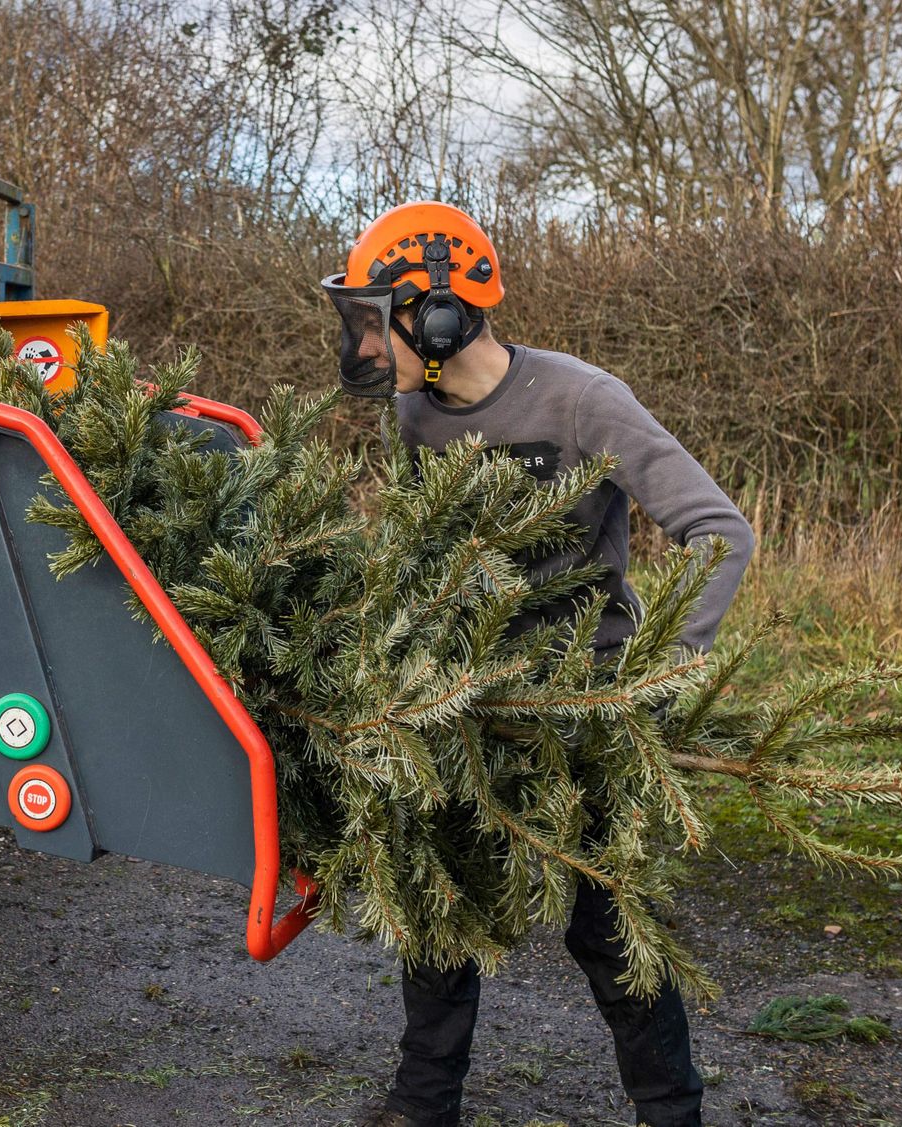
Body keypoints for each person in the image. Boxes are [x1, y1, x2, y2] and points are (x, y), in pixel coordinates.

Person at [320, 201, 757, 1127]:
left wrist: (658, 676)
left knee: (606, 925)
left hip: (580, 708)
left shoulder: (581, 399)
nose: (363, 345)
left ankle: (672, 1112)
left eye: (374, 321)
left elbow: (719, 531)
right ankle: (422, 1102)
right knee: (441, 899)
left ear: (439, 317)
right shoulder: (413, 413)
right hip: (465, 701)